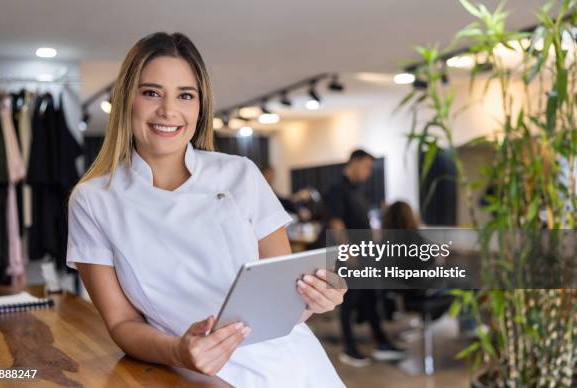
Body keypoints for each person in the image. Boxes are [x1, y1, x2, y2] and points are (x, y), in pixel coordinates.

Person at [66, 32, 345, 387]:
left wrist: (315, 299)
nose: (169, 111)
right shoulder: (93, 200)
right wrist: (179, 352)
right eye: (151, 92)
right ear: (126, 100)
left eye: (185, 95)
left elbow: (286, 301)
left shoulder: (241, 174)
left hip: (295, 365)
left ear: (200, 106)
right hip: (198, 374)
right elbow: (121, 324)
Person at [325, 149, 405, 367]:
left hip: (365, 254)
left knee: (371, 298)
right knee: (349, 301)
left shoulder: (358, 191)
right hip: (350, 256)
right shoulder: (337, 189)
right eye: (367, 167)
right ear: (355, 162)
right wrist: (348, 252)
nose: (369, 172)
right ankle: (349, 349)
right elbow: (336, 222)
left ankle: (381, 342)